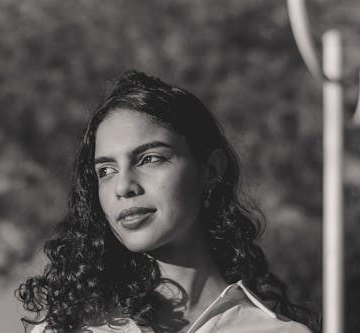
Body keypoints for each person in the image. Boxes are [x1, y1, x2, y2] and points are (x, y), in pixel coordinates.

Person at [16, 71, 318, 333]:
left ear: (211, 169)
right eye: (106, 171)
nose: (123, 186)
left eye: (150, 158)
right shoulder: (69, 327)